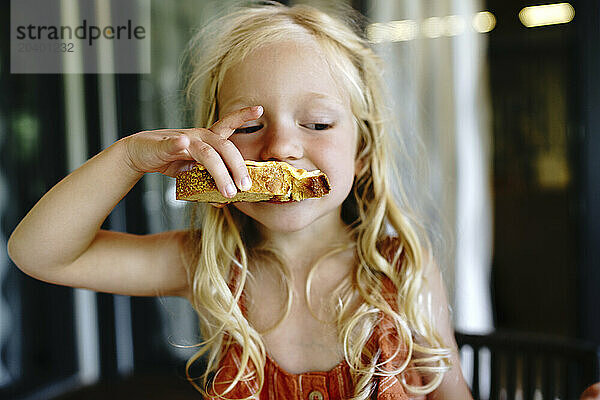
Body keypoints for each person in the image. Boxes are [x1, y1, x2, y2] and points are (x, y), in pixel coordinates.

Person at [7, 1, 473, 399]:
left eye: (318, 123)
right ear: (211, 146)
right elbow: (38, 253)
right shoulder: (206, 265)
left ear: (363, 155)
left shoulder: (403, 269)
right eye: (249, 127)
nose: (281, 147)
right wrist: (129, 158)